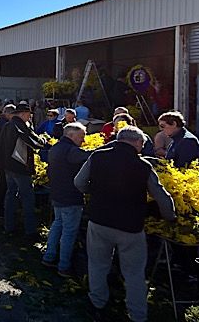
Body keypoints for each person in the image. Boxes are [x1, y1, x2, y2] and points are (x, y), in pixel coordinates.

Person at [74, 126, 176, 322]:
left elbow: (79, 182)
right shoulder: (143, 166)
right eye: (142, 144)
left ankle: (98, 304)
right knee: (134, 273)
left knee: (97, 264)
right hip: (130, 226)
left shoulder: (97, 157)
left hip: (99, 220)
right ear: (137, 142)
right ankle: (137, 314)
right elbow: (162, 197)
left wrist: (93, 191)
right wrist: (169, 217)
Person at [42, 122, 91, 276]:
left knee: (57, 225)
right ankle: (64, 266)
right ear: (70, 135)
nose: (83, 141)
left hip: (57, 194)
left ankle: (49, 257)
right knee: (69, 232)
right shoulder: (71, 151)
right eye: (81, 137)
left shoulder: (55, 148)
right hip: (71, 196)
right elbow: (91, 157)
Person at [0, 104, 46, 238]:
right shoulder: (19, 125)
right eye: (29, 114)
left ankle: (9, 226)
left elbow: (0, 146)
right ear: (23, 114)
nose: (30, 116)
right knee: (27, 198)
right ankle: (30, 230)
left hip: (9, 167)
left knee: (11, 196)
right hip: (20, 167)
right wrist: (44, 141)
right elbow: (33, 141)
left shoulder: (7, 125)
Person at [0, 103, 17, 217]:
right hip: (3, 157)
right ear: (9, 113)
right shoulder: (4, 124)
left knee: (1, 182)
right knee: (3, 183)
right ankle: (1, 208)